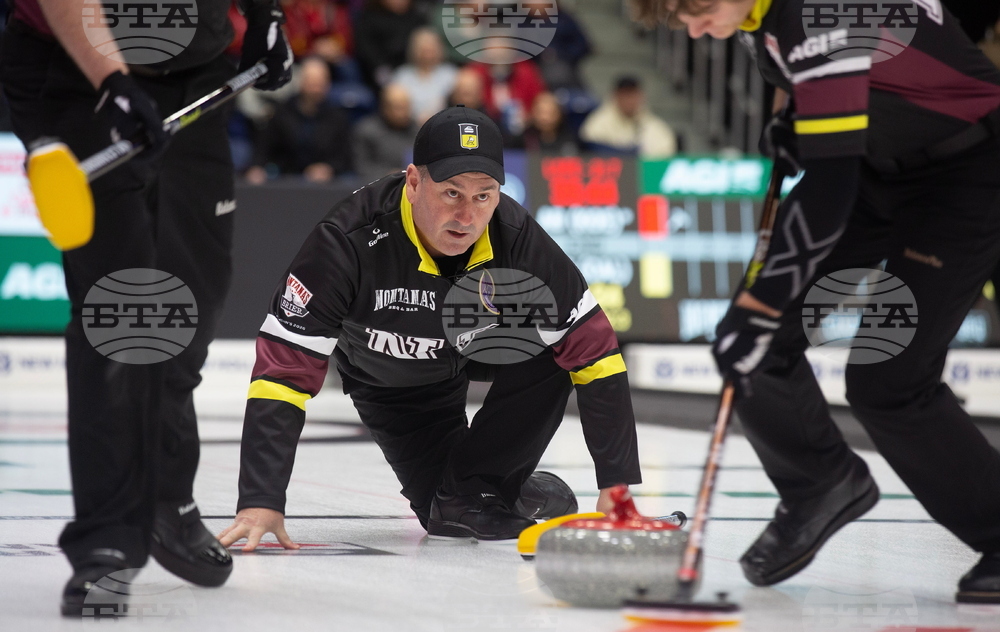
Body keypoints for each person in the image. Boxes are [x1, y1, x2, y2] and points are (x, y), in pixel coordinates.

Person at [630, 0, 1000, 604]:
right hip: (879, 165)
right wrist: (792, 114)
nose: (695, 29)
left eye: (697, 10)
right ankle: (821, 483)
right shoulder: (755, 17)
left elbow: (829, 187)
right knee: (748, 343)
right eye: (682, 21)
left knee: (889, 382)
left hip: (965, 171)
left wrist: (764, 299)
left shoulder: (820, 12)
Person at [217, 106, 642, 548]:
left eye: (484, 195)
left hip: (474, 349)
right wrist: (261, 500)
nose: (466, 215)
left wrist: (616, 488)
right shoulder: (347, 240)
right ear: (414, 182)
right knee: (446, 513)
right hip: (392, 382)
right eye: (452, 193)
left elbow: (597, 353)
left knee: (563, 346)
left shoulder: (515, 236)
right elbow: (282, 376)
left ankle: (491, 487)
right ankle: (508, 490)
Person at [0, 0, 292, 616]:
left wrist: (267, 14)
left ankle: (165, 497)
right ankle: (106, 541)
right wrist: (111, 80)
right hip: (76, 72)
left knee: (197, 292)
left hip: (194, 69)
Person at [246, 56, 352, 183]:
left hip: (324, 181)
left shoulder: (337, 117)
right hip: (285, 176)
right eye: (312, 83)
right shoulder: (281, 112)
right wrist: (257, 167)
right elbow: (264, 146)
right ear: (301, 82)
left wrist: (329, 168)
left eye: (320, 83)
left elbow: (345, 155)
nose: (316, 89)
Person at [579, 76, 677, 157]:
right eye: (624, 95)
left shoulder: (655, 127)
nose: (628, 100)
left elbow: (665, 159)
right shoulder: (598, 121)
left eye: (632, 95)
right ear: (615, 96)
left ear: (641, 96)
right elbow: (589, 148)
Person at [352, 83, 418, 182]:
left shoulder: (417, 130)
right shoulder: (367, 131)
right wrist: (387, 174)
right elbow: (361, 166)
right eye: (399, 108)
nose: (404, 113)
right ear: (385, 107)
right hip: (377, 186)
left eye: (407, 107)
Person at [390, 27, 458, 124]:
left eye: (431, 50)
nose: (428, 55)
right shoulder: (402, 75)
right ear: (415, 50)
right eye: (424, 50)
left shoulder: (451, 74)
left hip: (445, 125)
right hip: (408, 127)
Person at [513, 91, 581, 154]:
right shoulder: (524, 138)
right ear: (533, 112)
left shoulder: (570, 139)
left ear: (559, 114)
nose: (545, 118)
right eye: (541, 112)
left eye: (550, 113)